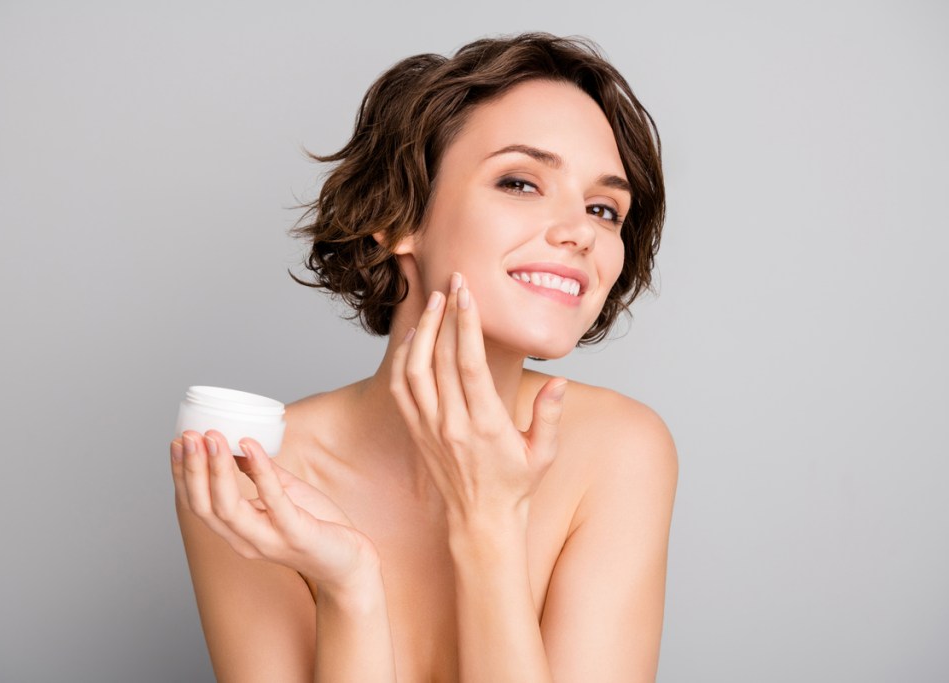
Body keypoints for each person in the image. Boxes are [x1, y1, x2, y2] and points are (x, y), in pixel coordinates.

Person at [170, 32, 677, 682]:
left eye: (605, 209)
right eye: (521, 182)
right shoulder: (255, 470)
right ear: (401, 213)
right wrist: (350, 586)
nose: (581, 231)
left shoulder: (619, 452)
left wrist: (488, 520)